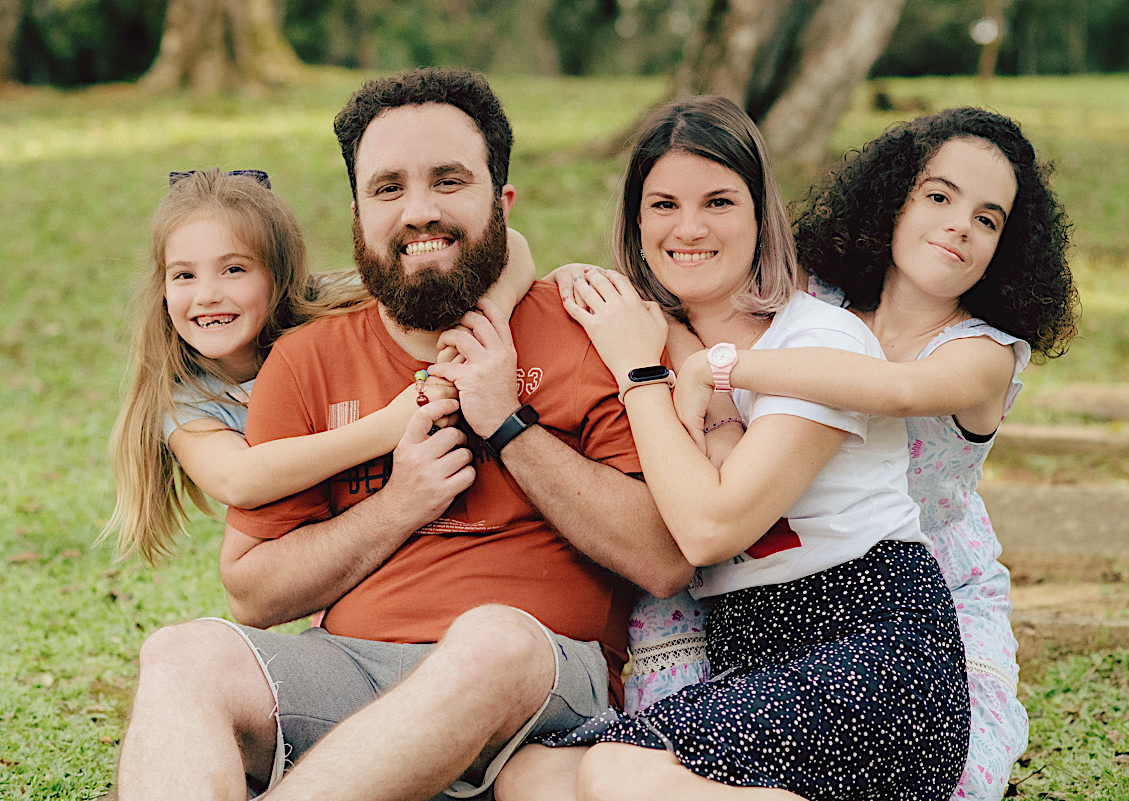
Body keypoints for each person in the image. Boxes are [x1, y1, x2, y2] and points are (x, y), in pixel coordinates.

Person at [114, 68, 693, 801]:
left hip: (535, 680)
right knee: (181, 652)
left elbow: (664, 557)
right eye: (388, 188)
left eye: (448, 180)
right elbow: (253, 593)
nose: (418, 210)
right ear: (358, 215)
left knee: (490, 638)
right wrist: (401, 502)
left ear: (501, 201)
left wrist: (505, 425)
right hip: (352, 673)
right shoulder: (307, 357)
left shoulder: (589, 330)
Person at [500, 94, 970, 801]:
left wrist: (640, 374)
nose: (688, 228)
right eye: (662, 205)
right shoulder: (653, 333)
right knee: (533, 775)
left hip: (876, 645)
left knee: (614, 772)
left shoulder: (817, 341)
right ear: (636, 220)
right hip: (755, 659)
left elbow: (711, 526)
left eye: (718, 201)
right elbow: (512, 260)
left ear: (760, 216)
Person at [664, 106, 1078, 800]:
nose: (958, 225)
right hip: (786, 566)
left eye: (987, 218)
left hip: (922, 591)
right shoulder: (813, 298)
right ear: (894, 198)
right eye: (939, 196)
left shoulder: (983, 356)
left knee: (943, 777)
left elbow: (891, 388)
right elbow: (685, 315)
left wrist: (726, 369)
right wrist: (709, 399)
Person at [101, 167, 536, 564]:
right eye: (184, 275)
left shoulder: (333, 302)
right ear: (161, 287)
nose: (207, 294)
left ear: (280, 275)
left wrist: (475, 338)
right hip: (330, 541)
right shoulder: (187, 400)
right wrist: (390, 423)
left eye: (233, 269)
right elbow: (238, 479)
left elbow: (512, 246)